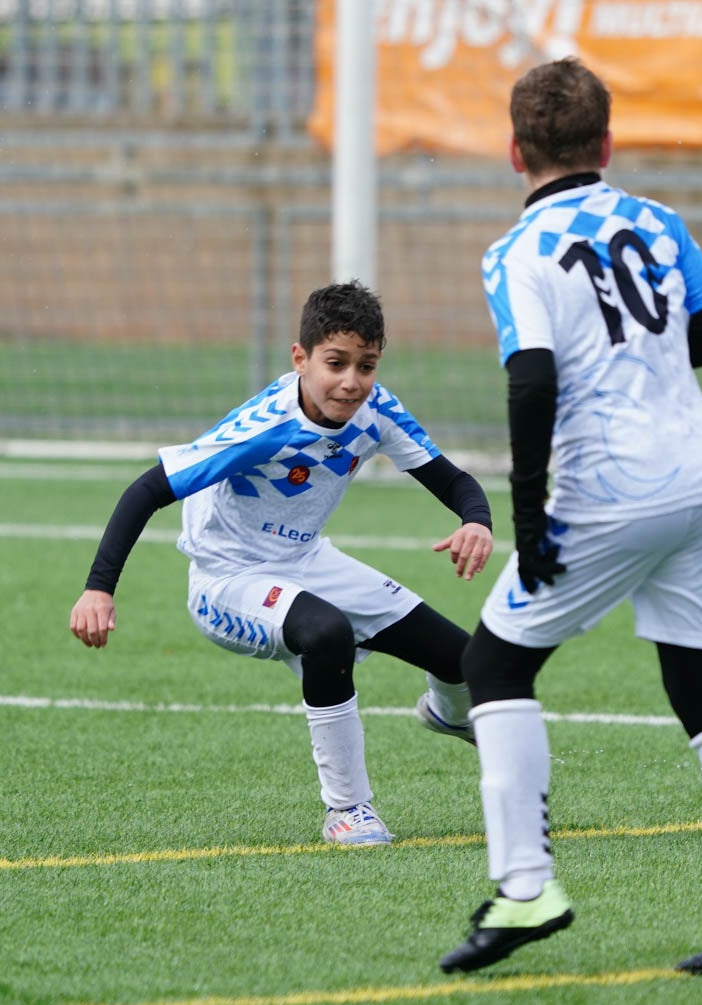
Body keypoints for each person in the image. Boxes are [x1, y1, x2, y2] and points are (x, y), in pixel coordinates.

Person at [438, 57, 702, 977]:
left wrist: (528, 512)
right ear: (607, 143)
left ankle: (526, 886)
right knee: (700, 684)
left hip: (609, 486)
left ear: (513, 151)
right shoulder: (657, 218)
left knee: (493, 662)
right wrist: (638, 346)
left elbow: (532, 377)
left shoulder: (513, 252)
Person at [69, 281, 493, 847]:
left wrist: (476, 521)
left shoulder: (376, 410)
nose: (351, 381)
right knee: (327, 633)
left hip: (306, 559)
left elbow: (454, 480)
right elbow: (146, 490)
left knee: (463, 660)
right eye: (335, 363)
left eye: (365, 366)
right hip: (227, 579)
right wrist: (98, 589)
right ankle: (348, 810)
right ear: (301, 358)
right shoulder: (266, 427)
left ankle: (448, 714)